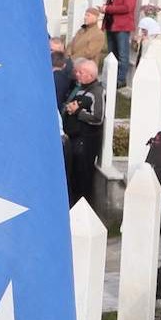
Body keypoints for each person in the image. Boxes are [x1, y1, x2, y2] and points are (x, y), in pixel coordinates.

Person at [61, 58, 104, 209]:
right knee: (73, 176)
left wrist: (77, 111)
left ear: (90, 75)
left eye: (80, 72)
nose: (77, 74)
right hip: (73, 140)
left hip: (85, 142)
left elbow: (97, 118)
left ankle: (83, 207)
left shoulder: (97, 92)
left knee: (83, 176)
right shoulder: (79, 88)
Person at [101, 0, 137, 85]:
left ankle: (121, 79)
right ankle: (112, 75)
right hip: (110, 25)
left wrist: (108, 9)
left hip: (122, 26)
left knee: (122, 53)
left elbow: (127, 8)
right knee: (112, 52)